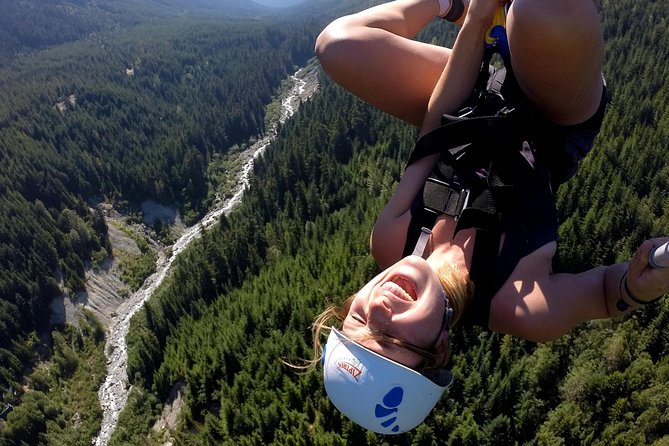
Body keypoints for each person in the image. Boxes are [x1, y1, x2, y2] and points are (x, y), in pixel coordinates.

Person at [306, 0, 669, 435]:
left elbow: (435, 130)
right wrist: (638, 287)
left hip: (479, 99)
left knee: (337, 45)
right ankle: (523, 37)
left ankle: (453, 5)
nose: (380, 309)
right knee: (537, 11)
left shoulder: (390, 239)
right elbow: (608, 295)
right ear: (439, 348)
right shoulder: (521, 308)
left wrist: (476, 19)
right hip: (552, 119)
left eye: (360, 319)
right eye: (391, 340)